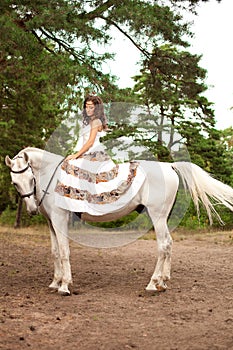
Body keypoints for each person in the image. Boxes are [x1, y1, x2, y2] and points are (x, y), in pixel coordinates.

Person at [55, 95, 145, 215]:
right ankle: (76, 203)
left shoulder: (96, 121)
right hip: (86, 152)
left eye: (91, 107)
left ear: (96, 108)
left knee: (76, 169)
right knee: (71, 167)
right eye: (86, 107)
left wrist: (76, 155)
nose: (88, 110)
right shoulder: (89, 121)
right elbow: (82, 141)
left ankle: (84, 203)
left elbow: (90, 142)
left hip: (93, 153)